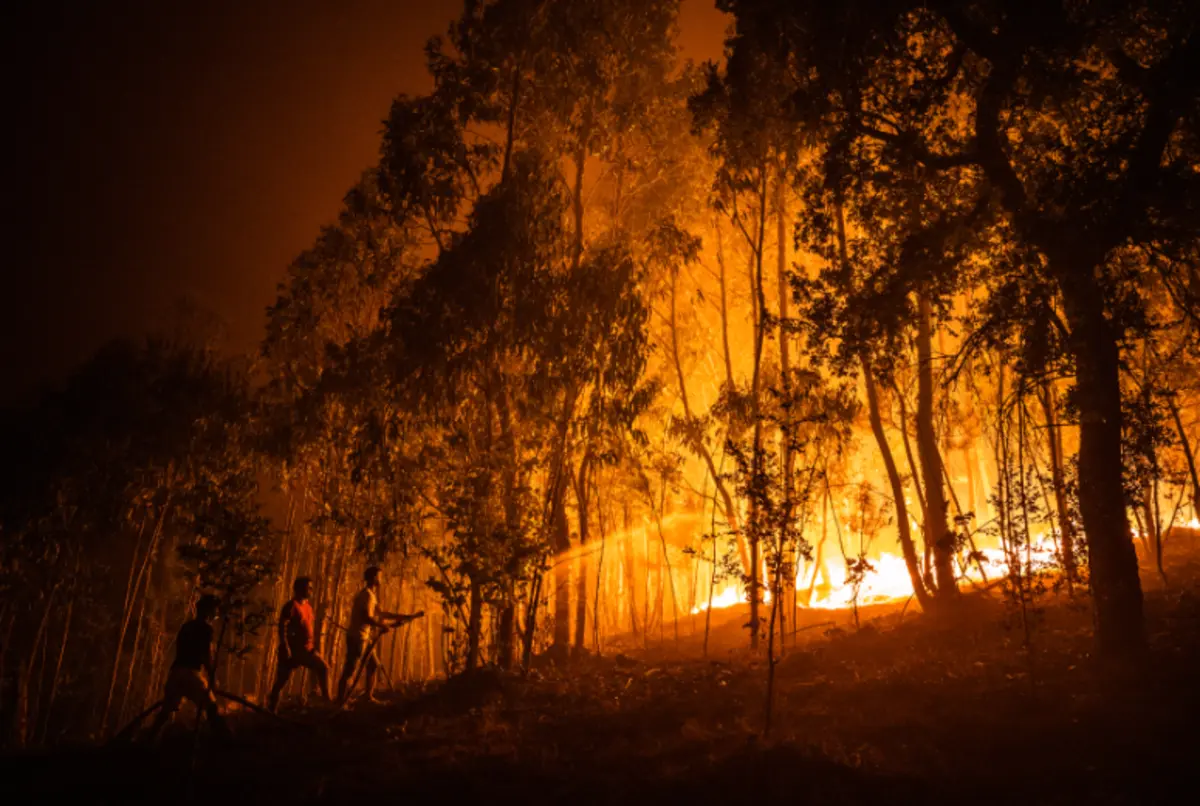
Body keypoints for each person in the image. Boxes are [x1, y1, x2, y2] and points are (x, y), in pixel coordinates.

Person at [147, 593, 231, 741]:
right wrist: (212, 678)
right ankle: (226, 741)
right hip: (191, 674)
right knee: (211, 708)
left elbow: (180, 650)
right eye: (215, 610)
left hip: (176, 672)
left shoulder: (186, 627)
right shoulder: (206, 629)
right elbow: (206, 656)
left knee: (165, 713)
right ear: (209, 611)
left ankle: (147, 741)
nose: (217, 613)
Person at [337, 566, 419, 705]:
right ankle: (340, 701)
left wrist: (405, 617)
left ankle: (368, 696)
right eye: (380, 576)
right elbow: (367, 617)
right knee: (350, 669)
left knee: (373, 665)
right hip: (358, 637)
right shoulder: (367, 596)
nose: (381, 578)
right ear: (374, 578)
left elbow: (381, 614)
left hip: (364, 637)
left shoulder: (371, 595)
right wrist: (382, 626)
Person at [267, 576, 331, 712]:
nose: (311, 590)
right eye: (308, 587)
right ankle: (271, 708)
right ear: (299, 589)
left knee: (323, 668)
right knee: (282, 680)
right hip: (294, 650)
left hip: (306, 650)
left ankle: (326, 701)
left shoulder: (308, 606)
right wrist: (285, 646)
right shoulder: (291, 606)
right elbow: (282, 626)